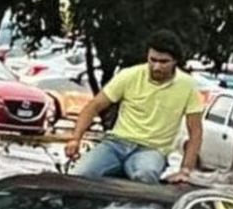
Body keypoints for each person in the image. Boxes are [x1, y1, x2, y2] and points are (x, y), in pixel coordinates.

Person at [65, 30, 203, 184]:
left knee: (145, 175)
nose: (157, 66)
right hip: (116, 143)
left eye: (164, 62)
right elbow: (94, 106)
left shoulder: (187, 85)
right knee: (80, 174)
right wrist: (75, 139)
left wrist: (185, 170)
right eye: (153, 60)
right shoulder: (129, 75)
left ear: (175, 61)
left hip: (151, 150)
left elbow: (196, 132)